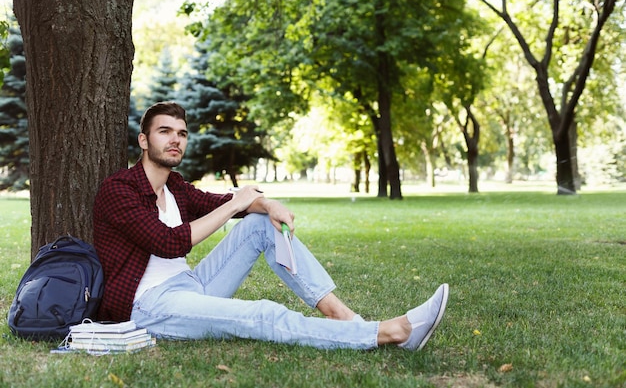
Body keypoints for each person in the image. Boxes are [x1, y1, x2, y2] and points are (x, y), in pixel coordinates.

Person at [93, 101, 449, 350]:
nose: (175, 140)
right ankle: (390, 333)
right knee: (261, 314)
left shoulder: (175, 186)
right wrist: (240, 200)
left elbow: (219, 204)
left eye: (182, 134)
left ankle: (342, 316)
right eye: (164, 132)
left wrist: (264, 204)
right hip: (150, 307)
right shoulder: (118, 190)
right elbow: (169, 242)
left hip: (192, 286)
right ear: (144, 140)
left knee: (261, 224)